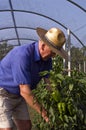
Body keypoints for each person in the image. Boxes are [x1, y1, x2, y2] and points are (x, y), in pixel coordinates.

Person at [0, 27, 67, 130]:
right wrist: (45, 114)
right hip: (3, 93)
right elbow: (25, 91)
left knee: (26, 126)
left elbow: (49, 84)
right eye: (53, 52)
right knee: (7, 128)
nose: (54, 56)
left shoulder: (47, 60)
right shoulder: (22, 55)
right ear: (43, 46)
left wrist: (57, 104)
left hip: (18, 95)